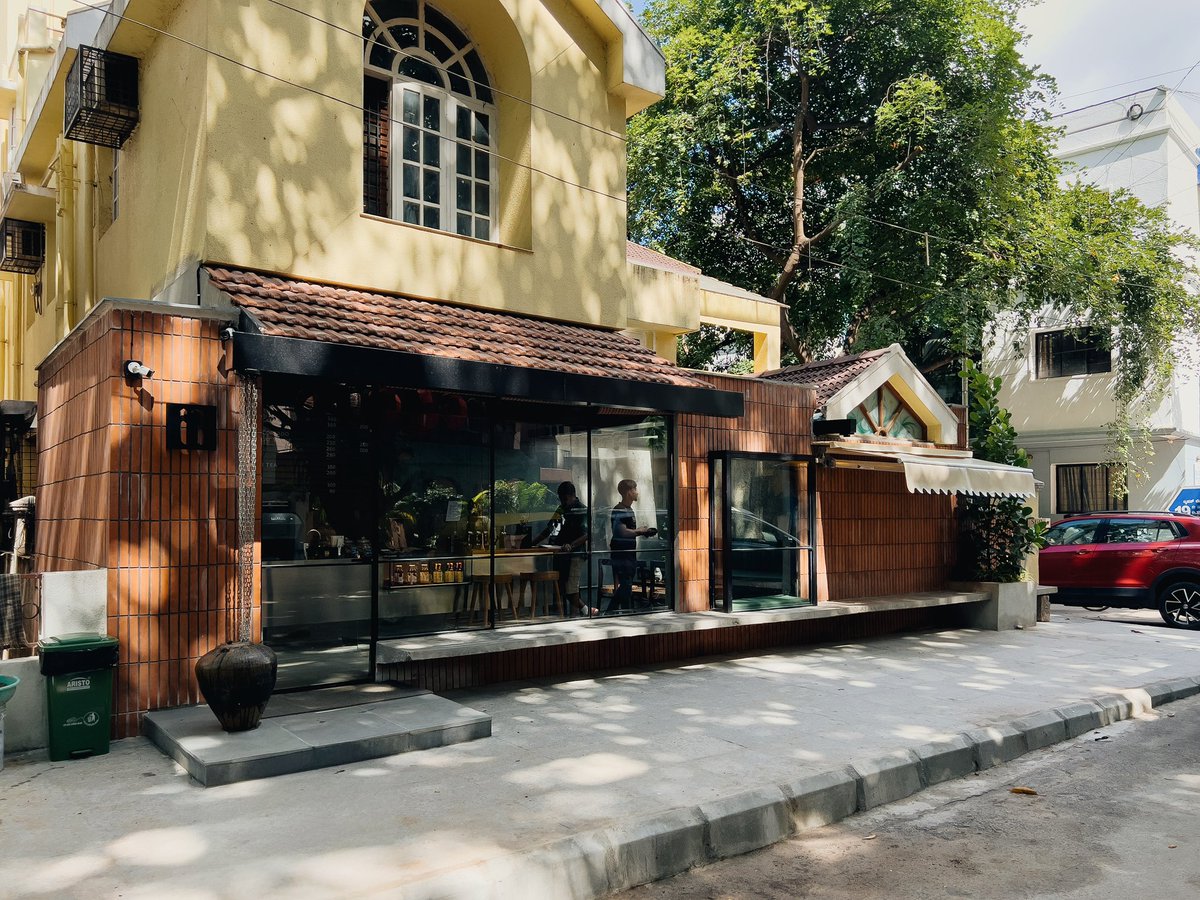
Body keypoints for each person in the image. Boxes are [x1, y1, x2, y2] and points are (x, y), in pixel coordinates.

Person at [533, 482, 596, 617]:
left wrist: (571, 545)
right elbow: (550, 528)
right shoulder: (561, 509)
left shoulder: (581, 510)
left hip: (575, 553)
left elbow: (587, 534)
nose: (563, 501)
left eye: (565, 498)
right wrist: (533, 543)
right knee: (561, 586)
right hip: (561, 553)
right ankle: (571, 612)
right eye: (560, 499)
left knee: (571, 587)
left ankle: (584, 610)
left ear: (572, 495)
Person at [610, 479, 656, 612]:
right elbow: (621, 531)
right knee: (626, 585)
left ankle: (616, 611)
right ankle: (616, 611)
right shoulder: (619, 510)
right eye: (635, 489)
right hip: (622, 554)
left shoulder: (628, 509)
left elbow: (628, 531)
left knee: (626, 585)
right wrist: (640, 531)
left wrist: (643, 532)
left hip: (628, 554)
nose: (637, 492)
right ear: (628, 492)